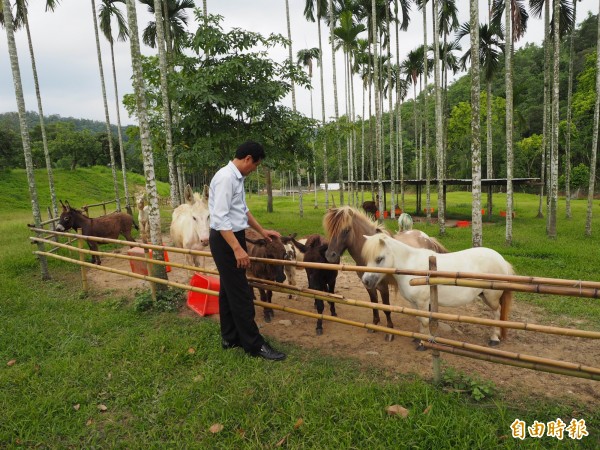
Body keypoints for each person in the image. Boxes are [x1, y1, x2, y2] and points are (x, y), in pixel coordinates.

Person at [208, 141, 287, 361]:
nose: (254, 170)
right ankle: (254, 345)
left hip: (233, 236)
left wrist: (262, 231)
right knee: (242, 292)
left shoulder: (236, 178)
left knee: (228, 290)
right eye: (256, 165)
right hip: (226, 239)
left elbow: (242, 210)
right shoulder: (225, 178)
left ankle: (230, 337)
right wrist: (237, 249)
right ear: (248, 159)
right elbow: (220, 217)